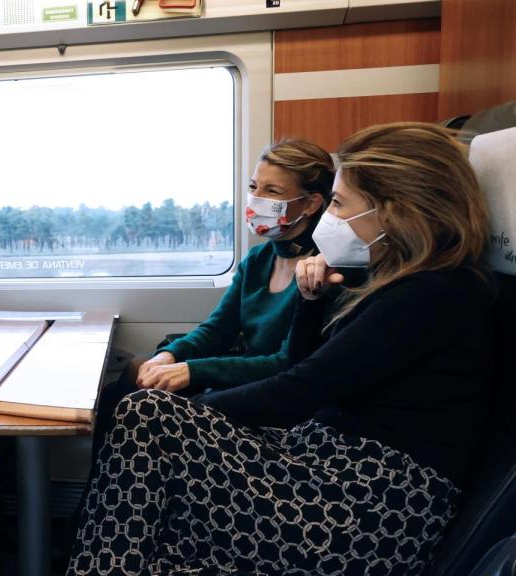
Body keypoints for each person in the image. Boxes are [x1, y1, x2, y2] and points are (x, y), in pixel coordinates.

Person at [69, 122, 494, 575]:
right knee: (148, 416)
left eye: (338, 203)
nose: (329, 217)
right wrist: (311, 303)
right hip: (325, 464)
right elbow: (305, 364)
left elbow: (299, 388)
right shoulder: (402, 284)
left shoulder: (432, 296)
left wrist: (198, 409)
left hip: (366, 504)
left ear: (393, 213)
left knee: (147, 414)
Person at [90, 139, 334, 469]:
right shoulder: (259, 259)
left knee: (139, 401)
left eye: (272, 191)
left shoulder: (322, 271)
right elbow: (217, 329)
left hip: (267, 389)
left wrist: (192, 371)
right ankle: (103, 497)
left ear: (310, 204)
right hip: (241, 372)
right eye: (253, 186)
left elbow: (286, 364)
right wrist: (171, 355)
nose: (256, 198)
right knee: (135, 373)